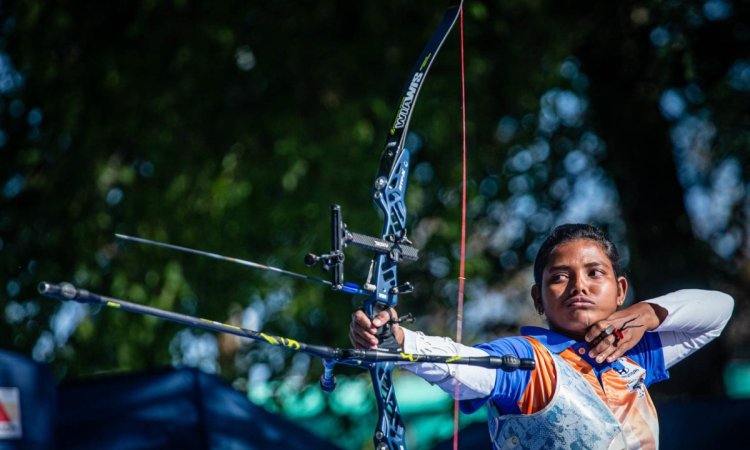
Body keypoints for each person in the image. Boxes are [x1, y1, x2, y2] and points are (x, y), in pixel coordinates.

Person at [349, 224, 734, 450]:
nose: (578, 286)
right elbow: (464, 366)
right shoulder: (529, 360)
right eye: (559, 277)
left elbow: (719, 310)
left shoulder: (634, 352)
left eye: (594, 273)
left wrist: (648, 313)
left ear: (620, 290)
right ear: (538, 298)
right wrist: (398, 342)